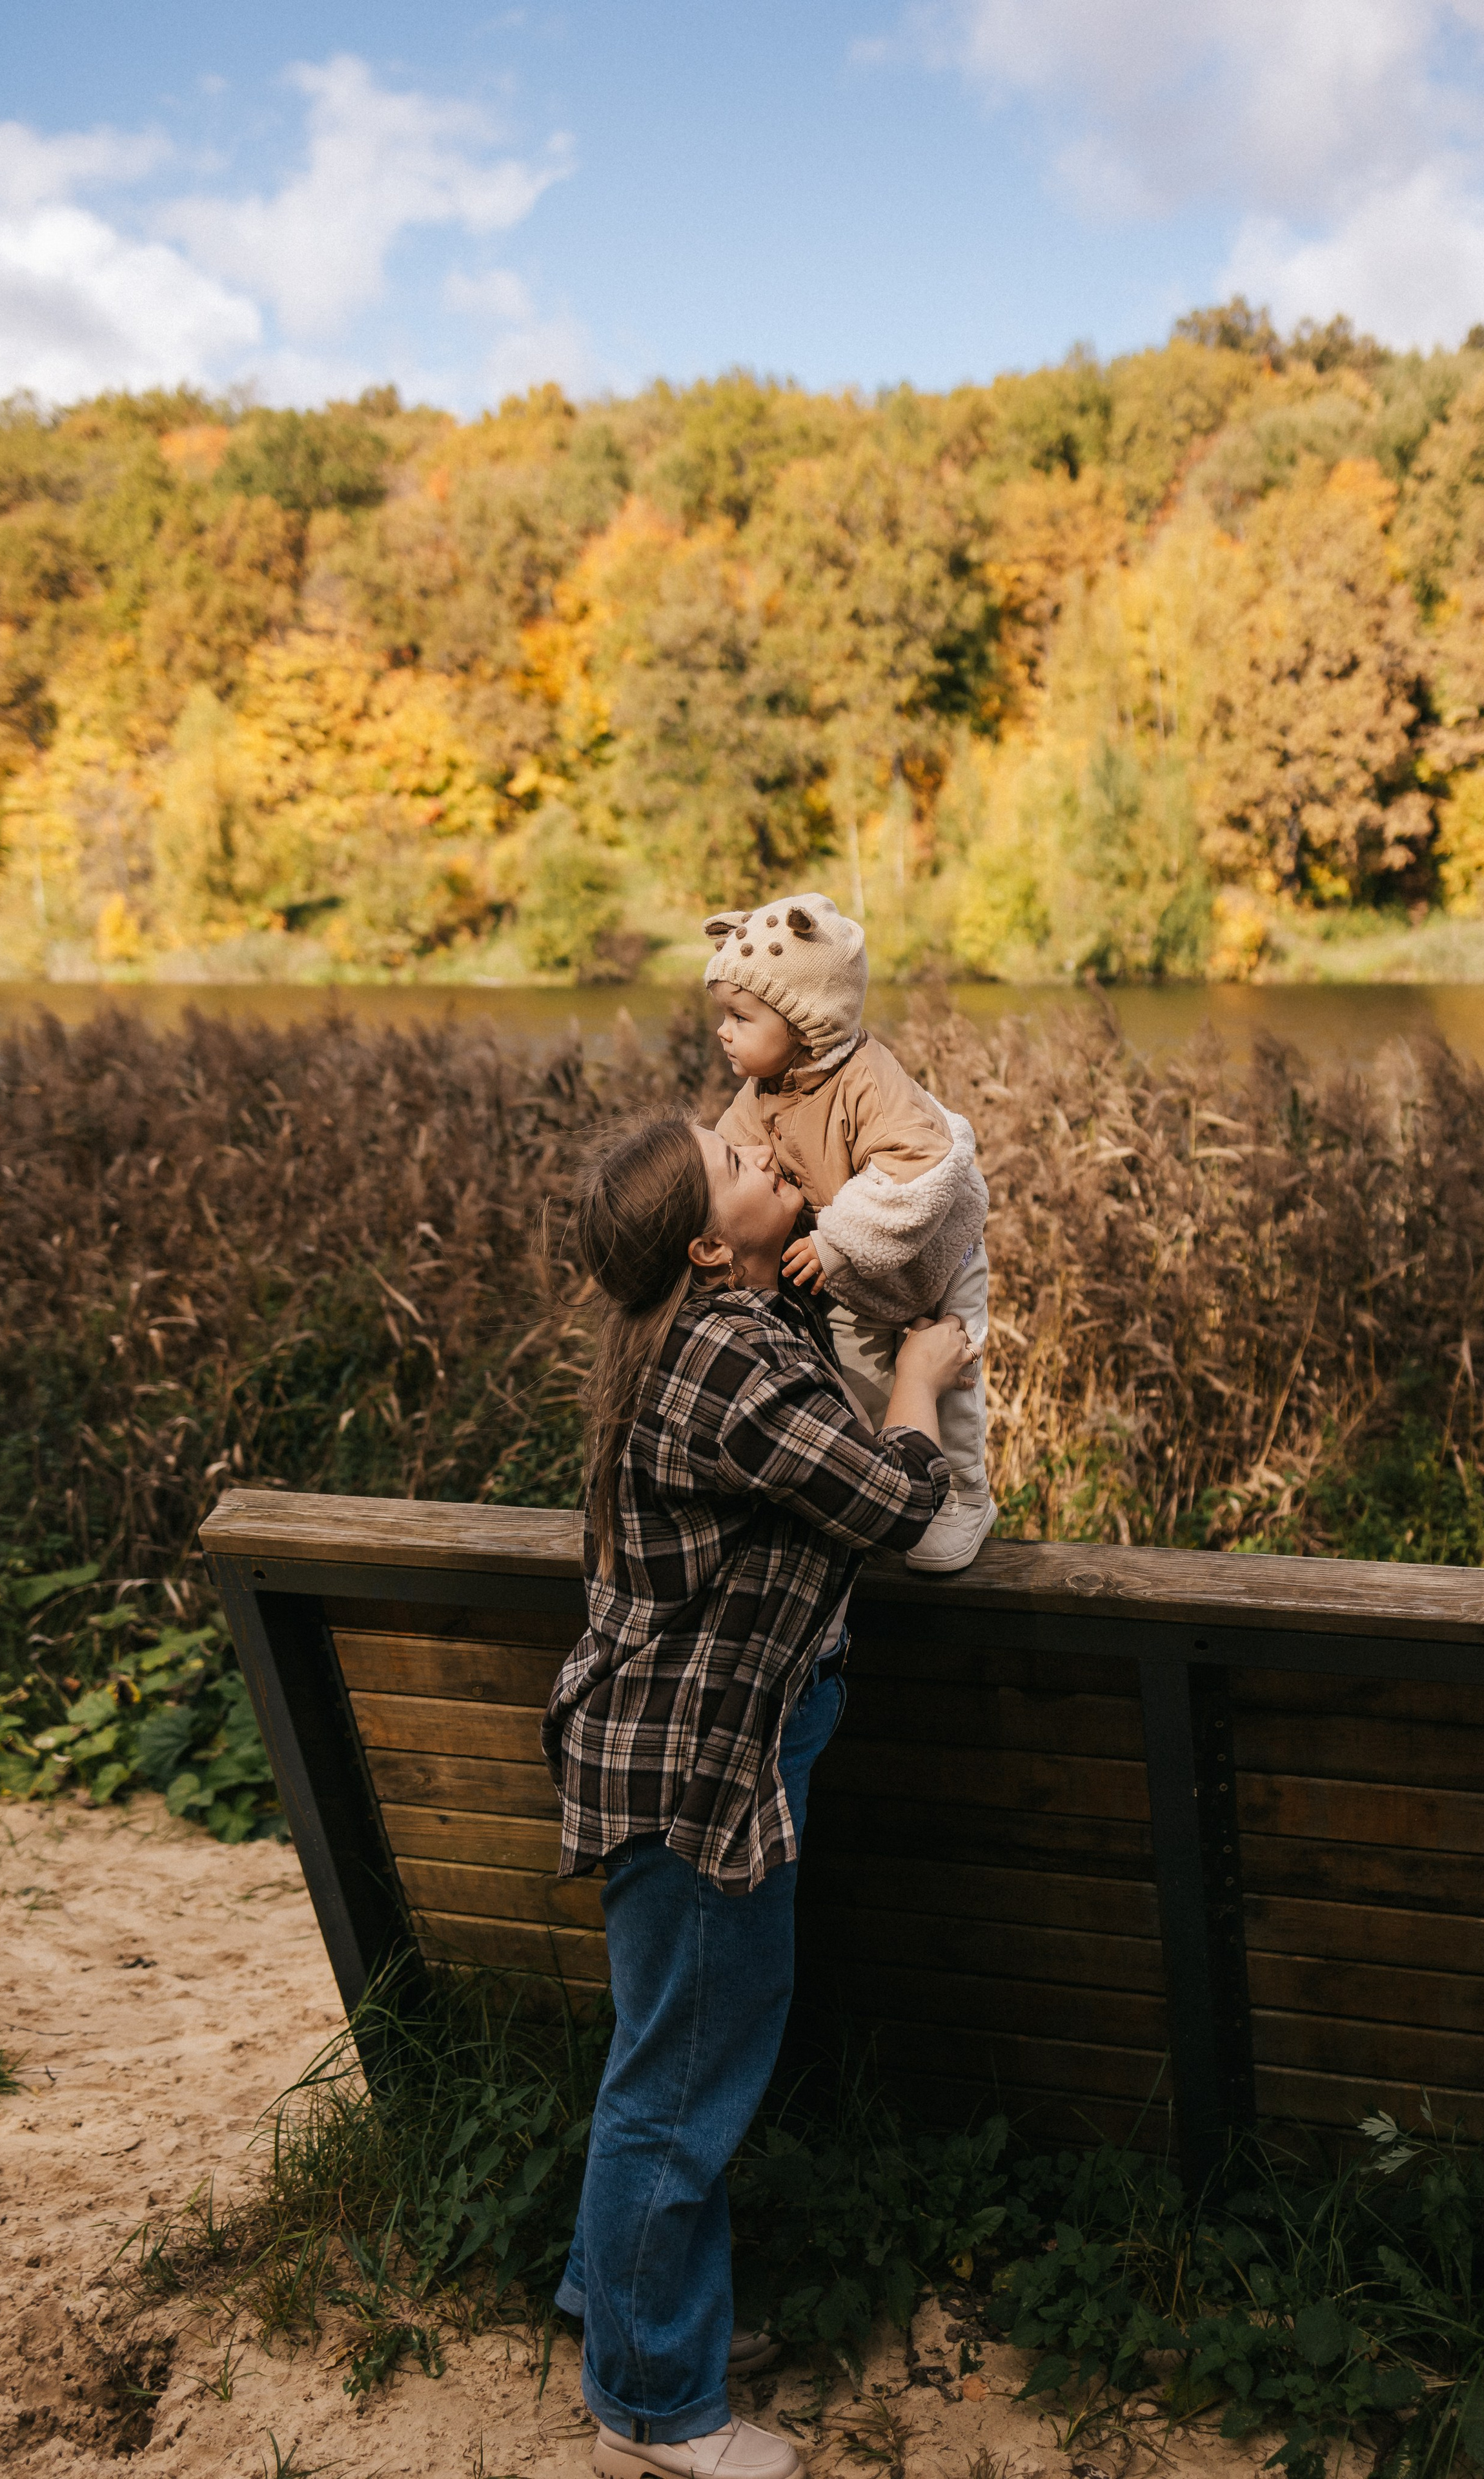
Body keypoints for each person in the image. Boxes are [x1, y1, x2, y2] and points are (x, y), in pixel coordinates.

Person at [541, 1110, 977, 2479]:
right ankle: (650, 2411)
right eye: (736, 1165)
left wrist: (821, 1222)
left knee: (663, 2061)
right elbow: (892, 1502)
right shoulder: (727, 1356)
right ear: (701, 1247)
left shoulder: (699, 1332)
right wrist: (921, 1375)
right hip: (699, 1774)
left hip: (667, 1750)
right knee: (680, 2084)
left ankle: (628, 2318)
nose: (763, 1156)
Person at [702, 891, 995, 1573]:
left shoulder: (869, 1081)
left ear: (807, 1022)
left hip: (940, 1258)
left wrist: (835, 1239)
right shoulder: (763, 1090)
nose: (723, 1032)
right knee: (861, 1386)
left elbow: (919, 1166)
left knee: (952, 1373)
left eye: (740, 1017)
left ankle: (965, 1497)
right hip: (856, 1279)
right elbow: (731, 1160)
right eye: (724, 1015)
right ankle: (887, 1485)